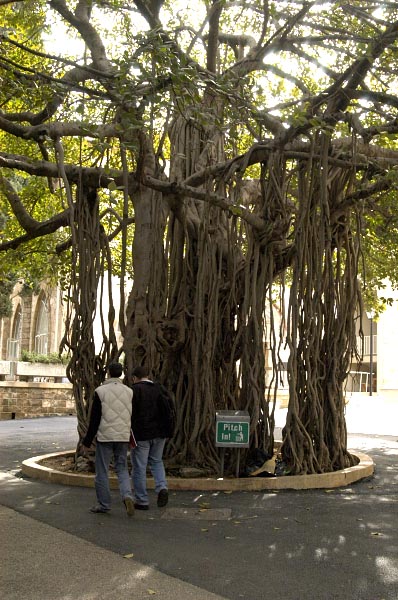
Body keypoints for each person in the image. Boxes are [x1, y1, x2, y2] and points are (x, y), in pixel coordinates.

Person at [82, 362, 135, 516]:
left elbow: (95, 419)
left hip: (105, 437)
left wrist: (87, 441)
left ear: (109, 373)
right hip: (123, 436)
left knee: (102, 471)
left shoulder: (100, 391)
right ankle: (127, 495)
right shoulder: (129, 392)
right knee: (122, 468)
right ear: (121, 374)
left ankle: (104, 504)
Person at [130, 365, 171, 510]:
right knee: (156, 461)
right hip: (160, 433)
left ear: (134, 378)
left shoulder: (134, 390)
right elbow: (168, 410)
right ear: (148, 376)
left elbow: (131, 414)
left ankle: (142, 500)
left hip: (141, 434)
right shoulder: (159, 388)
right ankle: (162, 487)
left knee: (139, 467)